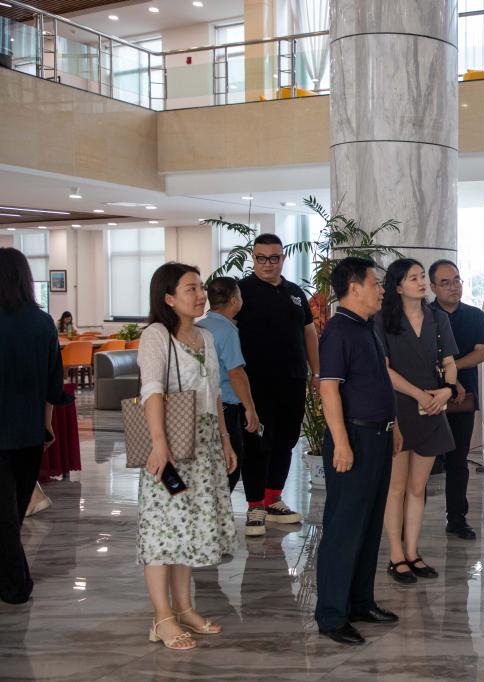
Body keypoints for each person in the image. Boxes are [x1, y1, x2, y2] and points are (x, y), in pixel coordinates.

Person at [136, 262, 237, 651]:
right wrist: (159, 443)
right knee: (161, 529)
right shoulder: (156, 336)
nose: (200, 295)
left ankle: (184, 607)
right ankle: (162, 617)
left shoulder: (205, 336)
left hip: (204, 441)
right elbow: (151, 390)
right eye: (191, 289)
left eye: (201, 288)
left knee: (187, 528)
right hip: (170, 441)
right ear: (168, 298)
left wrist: (225, 441)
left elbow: (214, 394)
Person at [315, 257, 399, 645]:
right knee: (344, 527)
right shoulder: (338, 331)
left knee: (368, 525)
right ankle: (332, 615)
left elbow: (377, 382)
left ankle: (360, 602)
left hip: (378, 436)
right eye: (375, 283)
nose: (381, 290)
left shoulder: (367, 327)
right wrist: (342, 443)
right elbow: (329, 390)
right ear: (354, 288)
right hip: (354, 438)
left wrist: (393, 426)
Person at [376, 258, 459, 584]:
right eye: (413, 278)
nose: (421, 282)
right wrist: (418, 395)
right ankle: (396, 555)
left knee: (417, 487)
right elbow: (384, 369)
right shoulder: (382, 320)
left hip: (433, 407)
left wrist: (446, 390)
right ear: (397, 286)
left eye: (422, 276)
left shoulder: (438, 318)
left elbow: (449, 362)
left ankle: (413, 551)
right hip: (399, 407)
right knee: (396, 487)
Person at [0, 248, 69, 604]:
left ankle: (17, 585)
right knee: (13, 512)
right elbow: (52, 385)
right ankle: (14, 581)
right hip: (29, 433)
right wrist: (47, 426)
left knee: (7, 518)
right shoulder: (43, 323)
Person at [235, 234, 320, 526]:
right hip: (254, 384)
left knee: (286, 440)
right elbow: (226, 331)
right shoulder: (241, 292)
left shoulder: (295, 293)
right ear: (253, 258)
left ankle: (274, 500)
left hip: (292, 380)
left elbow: (309, 333)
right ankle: (255, 505)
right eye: (261, 258)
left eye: (274, 258)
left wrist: (316, 372)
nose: (268, 264)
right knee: (257, 443)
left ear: (282, 259)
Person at [428, 260, 484, 541]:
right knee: (423, 462)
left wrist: (454, 374)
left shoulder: (474, 315)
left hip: (462, 399)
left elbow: (480, 353)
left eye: (457, 280)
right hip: (427, 396)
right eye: (446, 282)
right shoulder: (423, 315)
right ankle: (408, 519)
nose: (454, 287)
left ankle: (456, 518)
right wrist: (449, 380)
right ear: (432, 287)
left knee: (458, 460)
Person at [196, 278, 261, 523]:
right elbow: (236, 373)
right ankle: (215, 517)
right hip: (226, 407)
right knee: (231, 463)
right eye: (240, 296)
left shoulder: (199, 327)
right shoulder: (228, 331)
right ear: (234, 301)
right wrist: (250, 408)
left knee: (210, 465)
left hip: (202, 406)